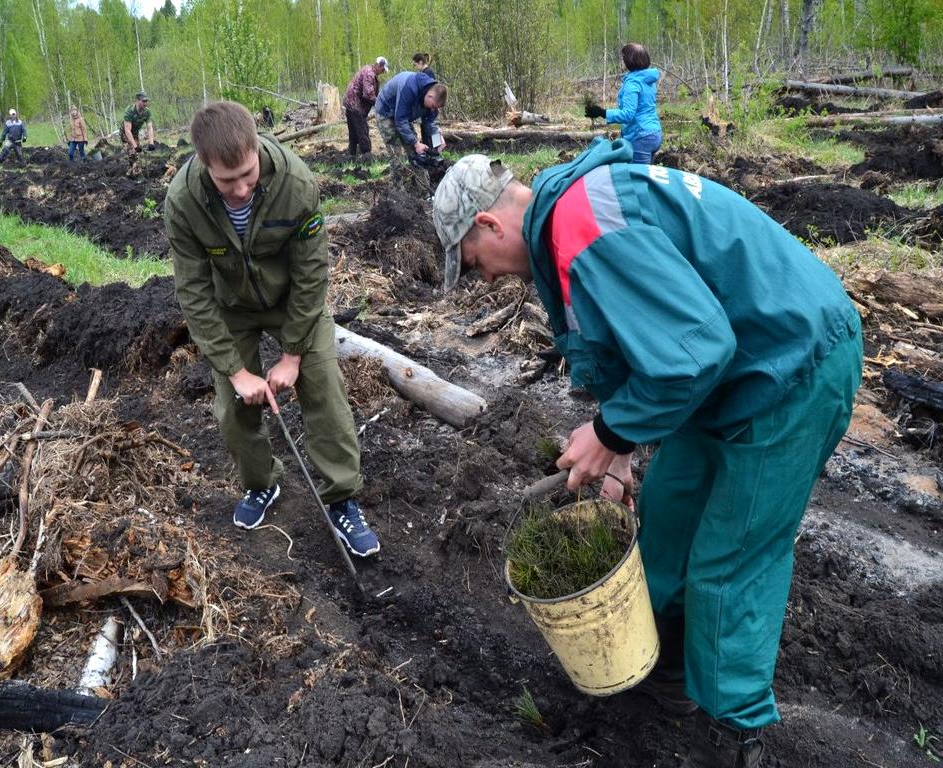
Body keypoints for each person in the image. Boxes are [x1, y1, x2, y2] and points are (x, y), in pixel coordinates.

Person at [432, 141, 862, 768]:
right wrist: (623, 458)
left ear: (488, 224)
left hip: (791, 363)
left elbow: (696, 350)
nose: (486, 279)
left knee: (729, 557)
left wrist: (608, 433)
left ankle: (731, 728)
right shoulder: (566, 229)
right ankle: (663, 676)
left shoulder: (585, 227)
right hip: (727, 376)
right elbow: (644, 344)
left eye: (474, 263)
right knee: (665, 520)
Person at [165, 100, 380, 557]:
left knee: (323, 388)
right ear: (204, 166)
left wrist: (293, 354)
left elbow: (312, 276)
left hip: (292, 304)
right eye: (227, 181)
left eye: (248, 173)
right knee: (232, 408)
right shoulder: (183, 202)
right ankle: (262, 484)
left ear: (257, 147)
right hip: (232, 309)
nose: (242, 189)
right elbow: (194, 294)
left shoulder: (296, 183)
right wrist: (235, 370)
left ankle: (342, 497)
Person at [374, 71, 446, 188]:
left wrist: (438, 139)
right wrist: (416, 143)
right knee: (397, 154)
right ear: (430, 96)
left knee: (418, 155)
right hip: (386, 112)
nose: (433, 110)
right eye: (433, 106)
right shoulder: (409, 88)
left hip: (403, 116)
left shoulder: (432, 100)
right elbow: (400, 120)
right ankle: (398, 193)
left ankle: (424, 191)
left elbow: (429, 122)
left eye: (435, 108)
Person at [599, 43, 662, 163]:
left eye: (624, 58)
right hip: (655, 133)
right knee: (647, 175)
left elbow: (627, 114)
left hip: (641, 136)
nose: (623, 61)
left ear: (629, 61)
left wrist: (603, 113)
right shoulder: (648, 79)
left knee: (638, 178)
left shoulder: (633, 83)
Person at [344, 56, 389, 160]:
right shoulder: (369, 73)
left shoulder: (368, 70)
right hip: (355, 105)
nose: (383, 72)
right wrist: (380, 103)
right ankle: (366, 155)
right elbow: (368, 94)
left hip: (350, 104)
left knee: (353, 131)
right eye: (383, 69)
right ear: (378, 65)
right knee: (362, 129)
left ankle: (351, 154)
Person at [411, 53, 436, 147]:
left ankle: (436, 149)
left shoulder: (428, 73)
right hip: (427, 108)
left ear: (420, 62)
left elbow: (430, 91)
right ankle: (430, 151)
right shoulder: (426, 72)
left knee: (431, 130)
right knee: (427, 129)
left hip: (430, 108)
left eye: (415, 64)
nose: (415, 67)